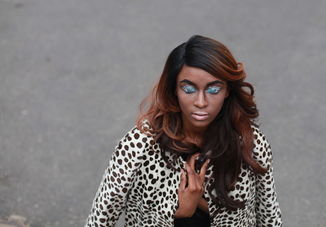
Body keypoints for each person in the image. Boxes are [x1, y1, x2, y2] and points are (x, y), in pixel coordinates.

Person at [85, 35, 282, 227]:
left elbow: (269, 214)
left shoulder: (249, 142)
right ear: (174, 90)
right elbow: (102, 215)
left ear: (227, 91)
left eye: (213, 90)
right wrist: (178, 212)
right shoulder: (140, 144)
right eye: (189, 89)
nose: (201, 102)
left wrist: (201, 202)